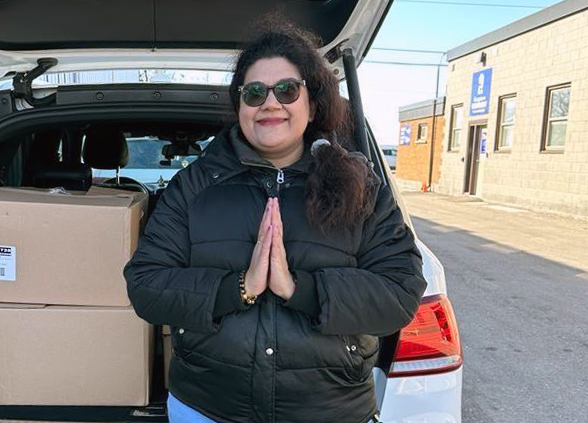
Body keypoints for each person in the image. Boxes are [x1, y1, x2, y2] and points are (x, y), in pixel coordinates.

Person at [124, 21, 427, 423]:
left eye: (287, 90)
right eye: (254, 93)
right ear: (239, 105)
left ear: (312, 102)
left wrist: (299, 289)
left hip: (332, 411)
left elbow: (400, 292)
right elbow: (145, 284)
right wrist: (238, 289)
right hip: (208, 409)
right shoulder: (192, 188)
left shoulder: (362, 187)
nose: (270, 103)